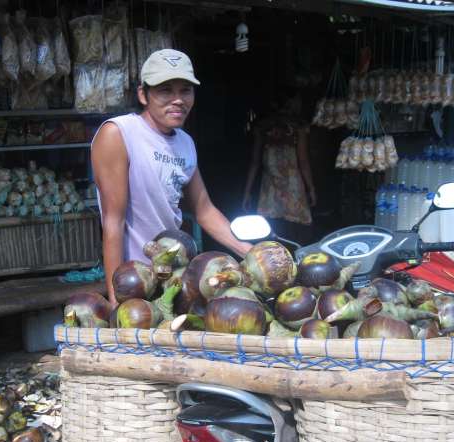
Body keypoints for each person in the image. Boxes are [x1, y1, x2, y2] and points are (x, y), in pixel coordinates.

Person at [91, 49, 252, 305]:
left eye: (185, 90)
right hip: (136, 278)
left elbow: (204, 211)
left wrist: (251, 253)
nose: (178, 100)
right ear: (143, 94)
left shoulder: (185, 143)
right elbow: (113, 221)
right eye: (165, 90)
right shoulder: (119, 133)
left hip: (174, 276)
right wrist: (115, 299)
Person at [242, 91, 317, 245]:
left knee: (272, 231)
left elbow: (255, 162)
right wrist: (311, 188)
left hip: (269, 187)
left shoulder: (263, 127)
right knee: (296, 230)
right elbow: (303, 161)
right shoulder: (298, 127)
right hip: (293, 187)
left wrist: (247, 192)